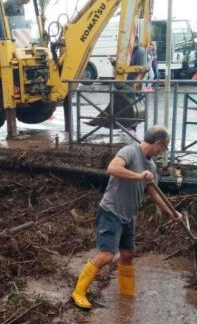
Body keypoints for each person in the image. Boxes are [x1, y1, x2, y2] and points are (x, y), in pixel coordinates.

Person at [71, 125, 183, 309]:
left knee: (128, 254)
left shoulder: (151, 166)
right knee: (107, 255)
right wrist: (139, 176)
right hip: (111, 211)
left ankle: (126, 292)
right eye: (164, 148)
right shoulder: (130, 151)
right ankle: (79, 292)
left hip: (128, 216)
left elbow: (154, 193)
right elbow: (112, 168)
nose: (163, 151)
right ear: (158, 143)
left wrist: (172, 212)